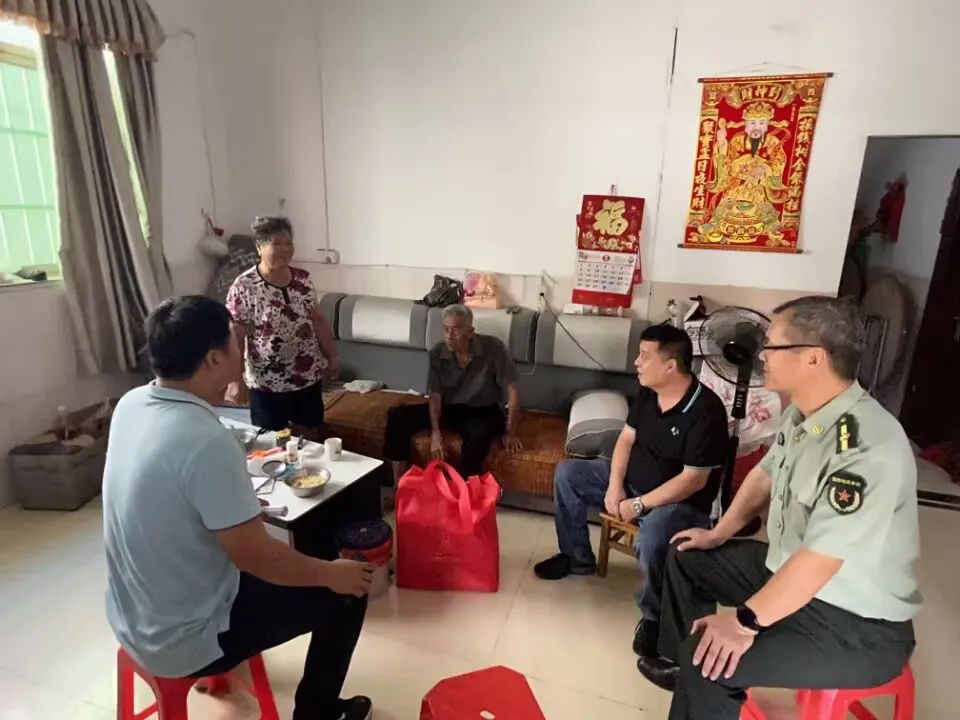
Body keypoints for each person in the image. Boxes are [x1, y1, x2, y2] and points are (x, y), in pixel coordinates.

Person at [641, 296, 920, 720]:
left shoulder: (866, 447)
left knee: (709, 662)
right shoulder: (804, 414)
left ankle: (697, 675)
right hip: (788, 573)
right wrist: (718, 533)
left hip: (855, 623)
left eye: (772, 345)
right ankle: (679, 668)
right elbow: (765, 475)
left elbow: (820, 561)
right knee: (686, 553)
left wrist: (744, 623)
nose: (761, 355)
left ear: (813, 358)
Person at [104, 296, 374, 720]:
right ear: (214, 358)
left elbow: (167, 492)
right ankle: (318, 713)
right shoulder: (205, 440)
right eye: (235, 340)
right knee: (347, 594)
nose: (242, 347)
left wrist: (236, 509)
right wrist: (332, 574)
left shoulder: (131, 404)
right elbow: (256, 557)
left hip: (132, 615)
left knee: (305, 566)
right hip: (182, 639)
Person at [533, 325, 730, 662]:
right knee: (569, 474)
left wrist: (638, 504)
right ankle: (577, 558)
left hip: (679, 503)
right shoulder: (649, 393)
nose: (636, 362)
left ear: (670, 366)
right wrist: (614, 485)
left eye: (644, 356)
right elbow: (626, 438)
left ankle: (653, 618)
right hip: (632, 486)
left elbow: (693, 481)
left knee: (653, 536)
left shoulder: (706, 411)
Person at [226, 215, 338, 440]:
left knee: (311, 436)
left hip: (306, 376)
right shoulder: (244, 286)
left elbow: (317, 320)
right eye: (277, 243)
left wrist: (332, 356)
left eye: (289, 243)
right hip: (267, 383)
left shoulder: (303, 279)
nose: (286, 249)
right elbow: (236, 337)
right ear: (259, 247)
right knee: (273, 442)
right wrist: (235, 380)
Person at [383, 304, 522, 483]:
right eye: (446, 329)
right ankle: (399, 484)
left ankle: (459, 489)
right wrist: (436, 432)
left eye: (456, 330)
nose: (449, 335)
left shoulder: (493, 348)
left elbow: (513, 390)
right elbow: (435, 395)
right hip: (450, 408)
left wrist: (511, 432)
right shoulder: (437, 353)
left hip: (483, 411)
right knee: (397, 416)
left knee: (479, 438)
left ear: (470, 332)